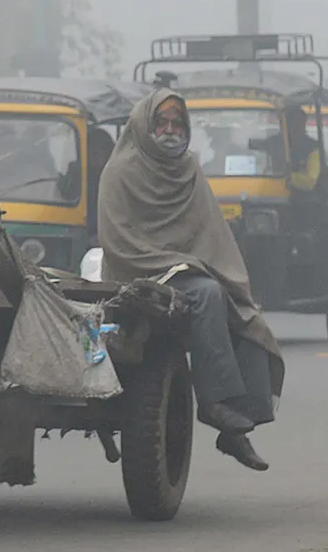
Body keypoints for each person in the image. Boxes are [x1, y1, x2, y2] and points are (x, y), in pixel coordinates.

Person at [97, 90, 285, 471]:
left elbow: (211, 234)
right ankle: (215, 403)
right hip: (138, 273)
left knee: (244, 314)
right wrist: (175, 264)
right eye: (161, 123)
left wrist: (195, 265)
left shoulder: (189, 169)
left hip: (186, 268)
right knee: (207, 294)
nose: (169, 131)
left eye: (176, 124)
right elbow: (118, 241)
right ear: (145, 128)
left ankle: (235, 429)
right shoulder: (120, 171)